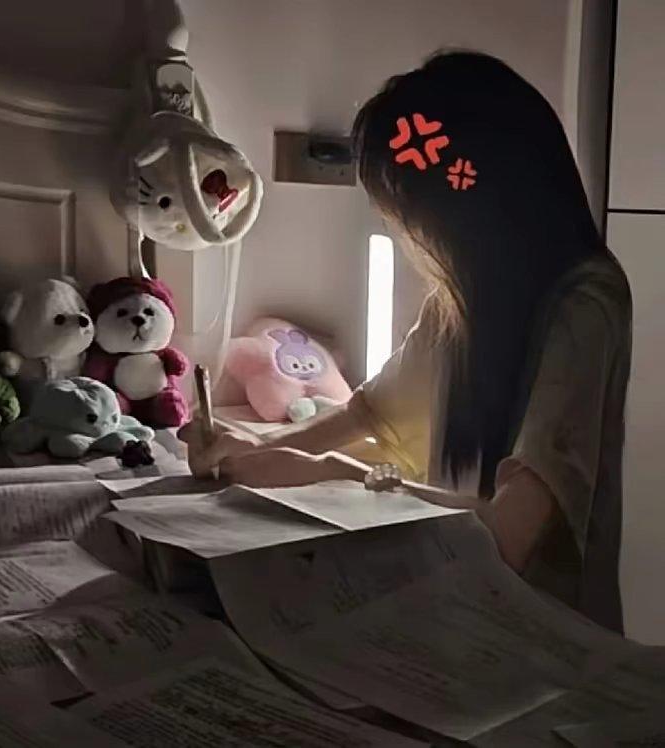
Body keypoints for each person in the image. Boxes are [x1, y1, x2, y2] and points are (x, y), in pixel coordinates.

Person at [179, 51, 632, 633]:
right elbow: (368, 412)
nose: (408, 239)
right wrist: (247, 449)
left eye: (408, 218)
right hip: (453, 606)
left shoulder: (583, 303)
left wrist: (336, 476)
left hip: (544, 633)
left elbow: (509, 536)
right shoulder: (463, 298)